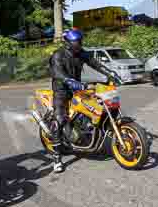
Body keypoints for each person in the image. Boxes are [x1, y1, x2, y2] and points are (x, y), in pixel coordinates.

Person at [48, 29, 122, 173]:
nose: (79, 44)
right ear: (68, 43)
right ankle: (57, 158)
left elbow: (95, 63)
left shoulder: (81, 53)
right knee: (59, 120)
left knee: (96, 106)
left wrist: (110, 74)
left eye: (80, 42)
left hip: (77, 88)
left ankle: (89, 133)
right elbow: (57, 72)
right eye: (77, 42)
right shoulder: (58, 55)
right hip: (61, 90)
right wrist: (68, 80)